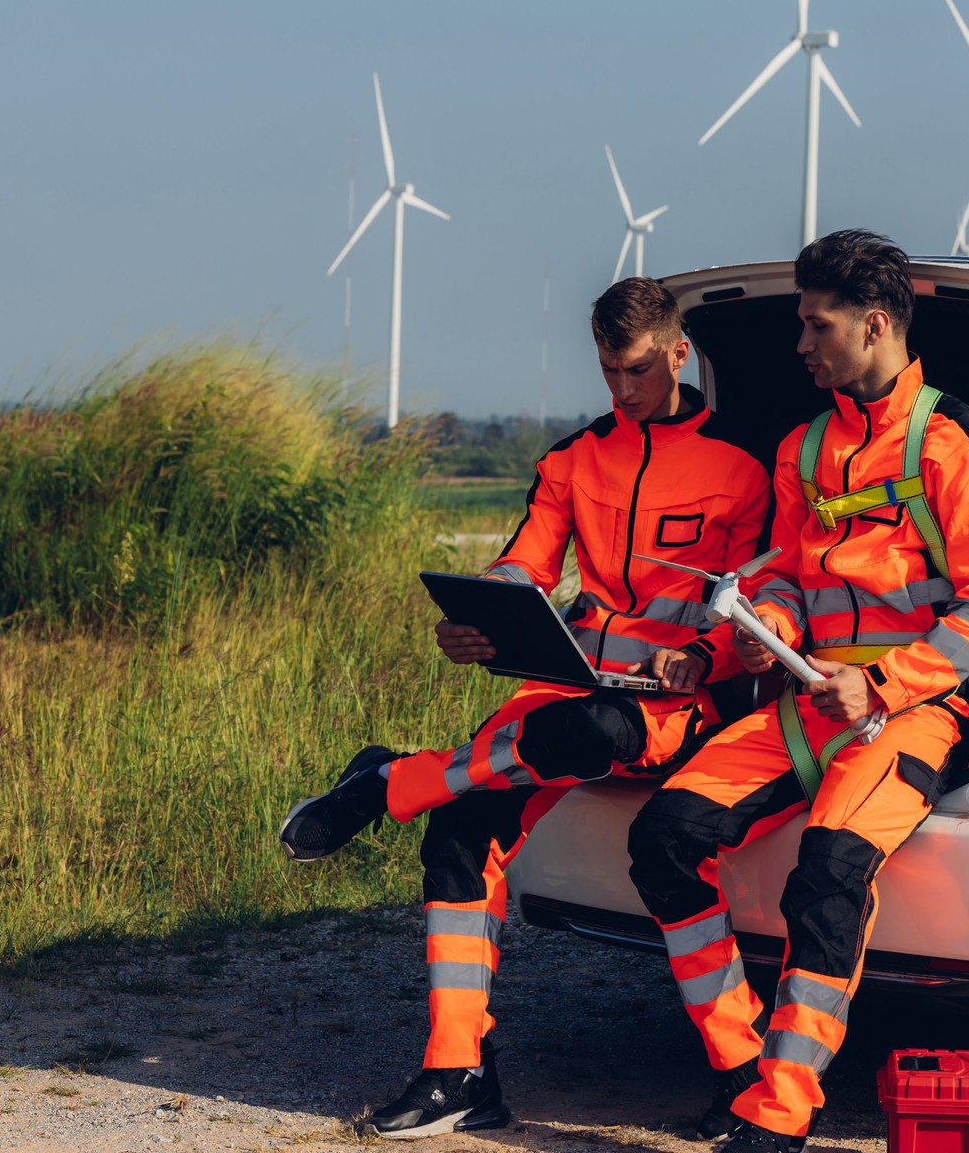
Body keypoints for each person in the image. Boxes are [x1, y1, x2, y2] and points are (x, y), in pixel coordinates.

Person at [279, 276, 773, 1139]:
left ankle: (391, 781)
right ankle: (457, 1073)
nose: (622, 389)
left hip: (670, 706)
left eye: (638, 369)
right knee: (460, 833)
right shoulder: (572, 460)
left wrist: (700, 655)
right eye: (608, 371)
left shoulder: (743, 462)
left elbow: (756, 602)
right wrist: (480, 620)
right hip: (563, 688)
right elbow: (523, 568)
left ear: (678, 352)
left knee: (589, 730)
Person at [626, 231, 969, 1153]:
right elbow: (784, 583)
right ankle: (739, 1065)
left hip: (918, 709)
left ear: (874, 324)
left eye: (816, 325)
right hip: (810, 701)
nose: (800, 345)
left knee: (829, 873)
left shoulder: (957, 441)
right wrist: (744, 641)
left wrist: (883, 682)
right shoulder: (803, 449)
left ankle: (785, 1108)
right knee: (664, 836)